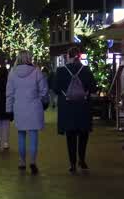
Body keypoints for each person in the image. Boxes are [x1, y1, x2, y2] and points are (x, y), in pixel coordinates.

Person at [52, 46, 98, 174]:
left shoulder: (61, 71)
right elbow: (93, 88)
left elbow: (55, 88)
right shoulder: (86, 70)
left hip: (67, 108)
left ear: (68, 56)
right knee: (83, 134)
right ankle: (82, 160)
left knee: (70, 136)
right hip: (83, 107)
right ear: (79, 56)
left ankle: (72, 163)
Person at [7, 50, 48, 174]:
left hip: (19, 107)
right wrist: (41, 101)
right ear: (30, 58)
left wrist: (9, 110)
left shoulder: (12, 73)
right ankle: (33, 161)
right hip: (34, 107)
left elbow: (9, 94)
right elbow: (44, 90)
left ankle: (21, 161)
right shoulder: (36, 72)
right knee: (33, 136)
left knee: (21, 135)